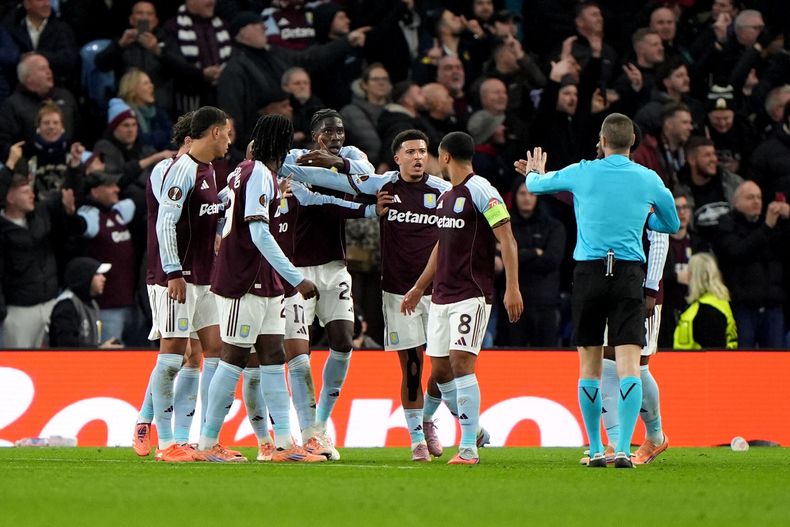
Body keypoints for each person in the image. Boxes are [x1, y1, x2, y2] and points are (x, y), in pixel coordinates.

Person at [284, 129, 459, 462]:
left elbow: (460, 230)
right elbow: (343, 181)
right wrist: (285, 164)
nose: (418, 157)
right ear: (397, 158)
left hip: (437, 290)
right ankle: (417, 440)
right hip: (397, 292)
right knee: (411, 366)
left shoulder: (443, 191)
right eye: (410, 152)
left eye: (422, 151)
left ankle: (430, 416)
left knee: (442, 366)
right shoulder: (383, 185)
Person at [518, 113, 679, 468]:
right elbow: (671, 224)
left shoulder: (584, 170)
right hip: (628, 276)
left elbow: (536, 187)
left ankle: (597, 448)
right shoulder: (648, 178)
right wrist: (644, 217)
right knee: (628, 367)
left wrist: (533, 172)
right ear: (632, 143)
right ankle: (622, 447)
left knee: (591, 368)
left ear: (603, 142)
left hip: (590, 274)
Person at [199, 114, 324, 463]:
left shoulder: (248, 171)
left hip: (265, 282)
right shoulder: (257, 175)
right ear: (281, 145)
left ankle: (283, 444)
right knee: (235, 358)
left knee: (273, 356)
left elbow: (226, 207)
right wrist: (296, 277)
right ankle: (207, 444)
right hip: (245, 281)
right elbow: (257, 232)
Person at [401, 131, 523, 464]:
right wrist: (418, 286)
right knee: (440, 371)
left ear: (444, 157)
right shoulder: (446, 197)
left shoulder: (482, 190)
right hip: (441, 295)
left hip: (472, 293)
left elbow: (507, 240)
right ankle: (476, 429)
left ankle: (468, 446)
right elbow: (442, 247)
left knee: (461, 363)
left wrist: (512, 287)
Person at [275, 108, 376, 460]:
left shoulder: (351, 156)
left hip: (334, 267)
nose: (336, 138)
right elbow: (304, 193)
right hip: (296, 270)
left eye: (340, 132)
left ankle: (319, 427)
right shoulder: (292, 159)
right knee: (298, 353)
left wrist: (337, 164)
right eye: (329, 133)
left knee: (344, 341)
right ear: (315, 134)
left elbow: (368, 176)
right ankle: (307, 432)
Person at [144, 106, 228, 462]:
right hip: (179, 279)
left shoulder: (209, 170)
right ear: (213, 133)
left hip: (206, 277)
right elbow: (166, 223)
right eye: (225, 132)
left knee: (218, 351)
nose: (228, 139)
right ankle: (166, 444)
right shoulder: (180, 170)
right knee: (173, 354)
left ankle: (201, 440)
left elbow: (210, 212)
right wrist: (174, 271)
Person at [712, 181, 788, 348]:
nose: (756, 201)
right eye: (750, 197)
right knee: (743, 362)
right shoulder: (726, 224)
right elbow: (737, 251)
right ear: (736, 202)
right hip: (743, 307)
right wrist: (767, 228)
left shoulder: (774, 224)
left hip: (773, 306)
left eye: (759, 197)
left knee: (777, 364)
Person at [73, 171, 138, 344]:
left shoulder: (117, 213)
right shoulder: (90, 217)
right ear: (95, 191)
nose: (116, 189)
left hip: (131, 301)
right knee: (112, 356)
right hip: (107, 306)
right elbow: (76, 226)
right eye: (109, 186)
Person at [508, 180, 565, 346]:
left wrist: (516, 256)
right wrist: (535, 252)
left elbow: (552, 260)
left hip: (545, 303)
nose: (527, 198)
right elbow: (500, 261)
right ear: (514, 196)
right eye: (522, 193)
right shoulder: (505, 226)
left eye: (532, 193)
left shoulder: (554, 226)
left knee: (546, 360)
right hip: (513, 305)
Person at [48, 257, 121, 348]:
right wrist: (100, 349)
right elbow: (67, 346)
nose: (103, 278)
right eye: (98, 274)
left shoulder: (93, 303)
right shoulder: (66, 306)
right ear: (85, 277)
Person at [674, 252, 738, 349]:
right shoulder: (718, 303)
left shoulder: (707, 311)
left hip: (698, 363)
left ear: (695, 276)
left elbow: (713, 353)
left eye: (689, 271)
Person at [117, 69, 173, 151]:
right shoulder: (125, 113)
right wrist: (162, 136)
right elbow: (138, 139)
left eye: (150, 83)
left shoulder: (156, 110)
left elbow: (172, 133)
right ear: (133, 88)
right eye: (146, 83)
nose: (151, 86)